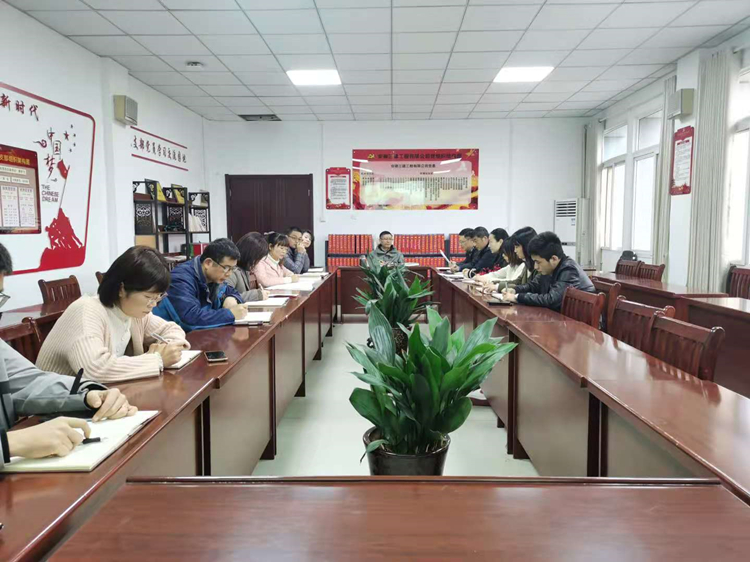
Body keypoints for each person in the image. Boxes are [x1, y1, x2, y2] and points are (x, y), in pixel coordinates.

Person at [0, 243, 137, 468]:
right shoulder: (87, 309)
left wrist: (87, 394)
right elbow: (97, 365)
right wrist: (9, 444)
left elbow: (30, 381)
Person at [37, 247, 190, 382]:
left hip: (98, 396)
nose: (154, 304)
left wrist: (169, 347)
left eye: (158, 297)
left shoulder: (133, 312)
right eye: (148, 297)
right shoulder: (86, 311)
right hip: (59, 401)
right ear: (122, 289)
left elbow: (170, 329)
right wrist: (157, 360)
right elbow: (94, 369)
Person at [152, 238, 247, 331]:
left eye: (232, 269)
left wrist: (231, 298)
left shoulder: (214, 277)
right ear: (208, 263)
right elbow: (190, 319)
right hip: (168, 336)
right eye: (226, 268)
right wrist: (230, 314)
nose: (229, 274)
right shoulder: (180, 279)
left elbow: (231, 291)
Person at [501, 231, 595, 311]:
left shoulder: (569, 269)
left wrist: (517, 297)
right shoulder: (550, 268)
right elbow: (534, 285)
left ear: (553, 259)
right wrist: (515, 290)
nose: (536, 267)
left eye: (538, 262)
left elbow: (552, 300)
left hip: (579, 323)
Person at [227, 232, 271, 302]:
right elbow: (226, 298)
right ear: (250, 254)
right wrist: (257, 295)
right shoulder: (232, 270)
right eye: (258, 258)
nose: (258, 262)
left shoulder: (245, 269)